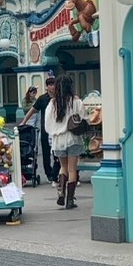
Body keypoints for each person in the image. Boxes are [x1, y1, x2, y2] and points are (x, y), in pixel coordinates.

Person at [44, 74, 86, 210]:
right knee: (72, 169)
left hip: (58, 140)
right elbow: (84, 117)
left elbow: (47, 124)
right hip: (73, 138)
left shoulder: (53, 103)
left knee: (63, 167)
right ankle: (70, 200)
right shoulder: (76, 101)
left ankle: (61, 192)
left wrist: (55, 131)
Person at [34, 76, 59, 183]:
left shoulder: (59, 97)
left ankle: (55, 173)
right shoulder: (42, 98)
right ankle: (49, 173)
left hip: (56, 129)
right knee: (46, 153)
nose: (53, 87)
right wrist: (24, 122)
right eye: (50, 84)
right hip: (45, 129)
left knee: (57, 153)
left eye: (54, 84)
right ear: (47, 86)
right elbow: (33, 110)